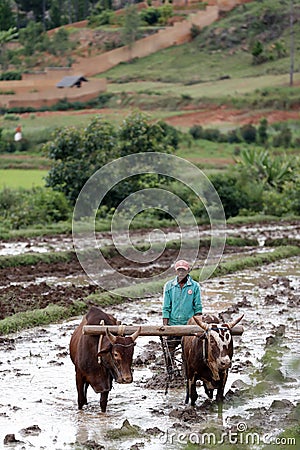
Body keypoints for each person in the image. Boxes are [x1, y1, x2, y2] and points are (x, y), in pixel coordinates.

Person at [162, 259, 202, 374]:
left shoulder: (194, 287)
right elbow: (166, 307)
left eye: (183, 270)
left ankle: (186, 372)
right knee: (170, 351)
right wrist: (165, 327)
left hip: (188, 326)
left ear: (188, 271)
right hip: (173, 325)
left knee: (187, 352)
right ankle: (170, 372)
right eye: (179, 270)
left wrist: (197, 325)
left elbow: (198, 307)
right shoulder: (169, 286)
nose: (181, 273)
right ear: (176, 271)